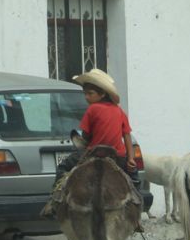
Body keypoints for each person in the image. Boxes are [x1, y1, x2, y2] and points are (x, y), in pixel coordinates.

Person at [44, 69, 142, 228]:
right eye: (85, 94)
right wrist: (131, 159)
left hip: (94, 154)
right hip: (118, 156)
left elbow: (86, 137)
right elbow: (127, 136)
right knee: (134, 180)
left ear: (102, 94)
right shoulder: (119, 111)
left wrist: (86, 142)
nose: (86, 97)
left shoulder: (92, 110)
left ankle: (54, 201)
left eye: (90, 94)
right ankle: (136, 216)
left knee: (63, 167)